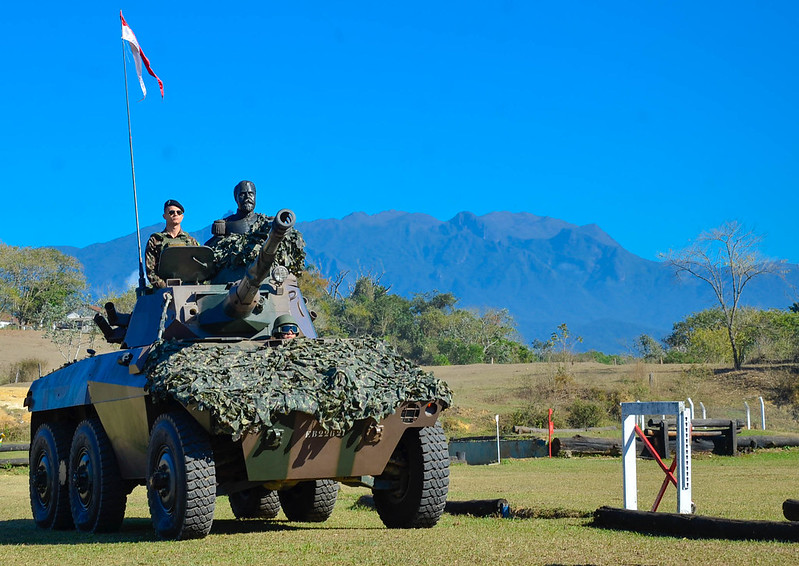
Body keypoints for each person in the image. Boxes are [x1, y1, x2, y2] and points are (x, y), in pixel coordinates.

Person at [145, 199, 199, 289]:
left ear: (182, 216)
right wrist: (165, 287)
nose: (175, 214)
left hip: (188, 289)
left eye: (179, 212)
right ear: (164, 216)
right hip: (163, 291)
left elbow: (198, 268)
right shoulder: (155, 240)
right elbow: (150, 270)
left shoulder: (190, 241)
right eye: (171, 212)